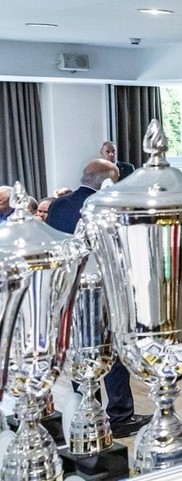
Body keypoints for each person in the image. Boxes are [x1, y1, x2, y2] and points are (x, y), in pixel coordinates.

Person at [43, 158, 150, 438]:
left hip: (69, 289)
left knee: (81, 350)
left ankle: (85, 408)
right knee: (112, 352)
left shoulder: (58, 205)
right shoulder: (103, 208)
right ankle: (120, 415)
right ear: (107, 181)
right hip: (102, 288)